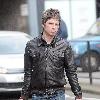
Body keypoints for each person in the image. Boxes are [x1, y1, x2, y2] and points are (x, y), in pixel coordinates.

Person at [19, 8, 82, 100]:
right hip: (37, 95)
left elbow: (71, 71)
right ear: (43, 24)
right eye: (51, 23)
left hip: (58, 94)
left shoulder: (64, 46)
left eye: (56, 24)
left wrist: (78, 94)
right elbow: (28, 73)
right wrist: (24, 95)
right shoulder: (31, 45)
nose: (54, 27)